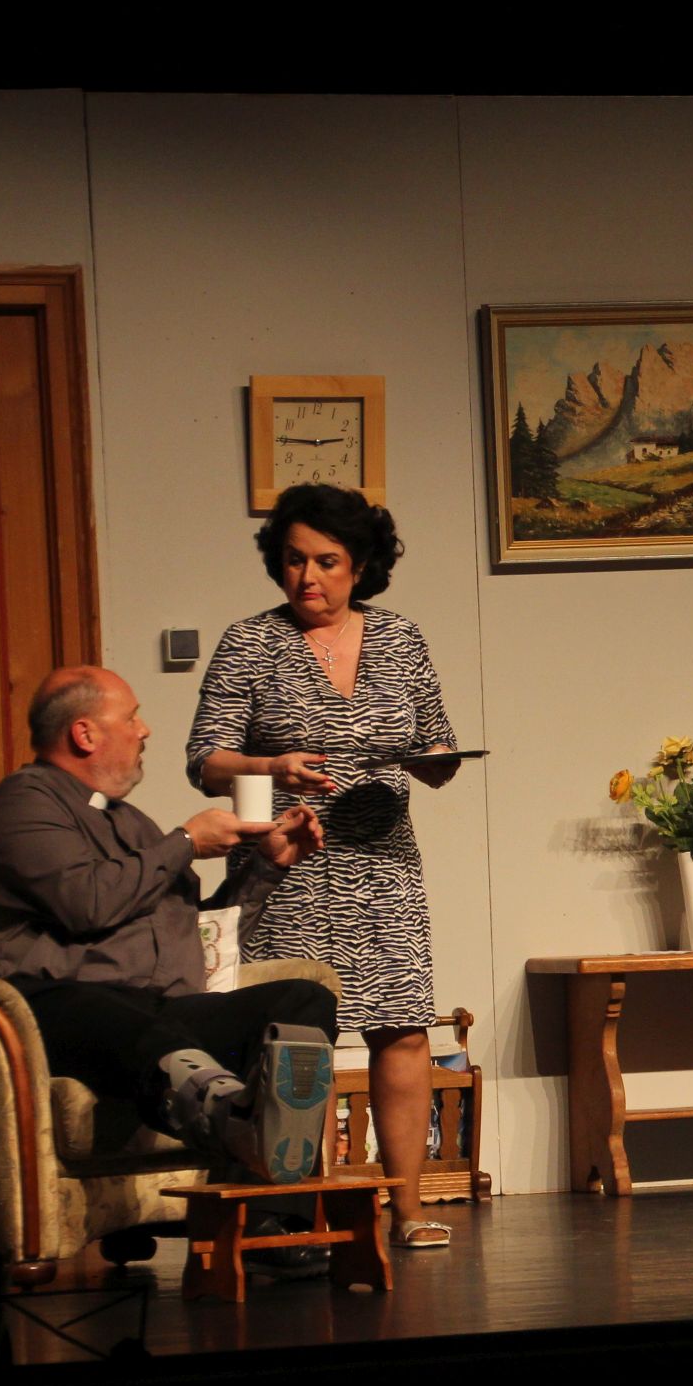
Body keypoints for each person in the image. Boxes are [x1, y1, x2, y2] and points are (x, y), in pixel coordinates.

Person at [187, 484, 463, 1249]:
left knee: (401, 1029)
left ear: (361, 565)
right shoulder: (251, 643)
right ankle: (291, 1212)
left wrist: (436, 761)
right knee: (289, 1039)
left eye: (326, 562)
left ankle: (405, 1210)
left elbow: (437, 744)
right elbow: (205, 761)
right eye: (293, 560)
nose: (307, 577)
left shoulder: (401, 639)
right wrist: (271, 765)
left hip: (383, 862)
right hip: (287, 861)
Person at [0, 666, 337, 1198]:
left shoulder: (130, 822)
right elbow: (86, 903)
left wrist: (267, 867)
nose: (145, 730)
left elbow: (196, 937)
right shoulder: (24, 802)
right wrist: (184, 842)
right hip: (60, 1009)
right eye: (132, 717)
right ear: (84, 733)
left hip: (154, 1011)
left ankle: (266, 1215)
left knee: (300, 1001)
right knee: (113, 1010)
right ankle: (229, 1115)